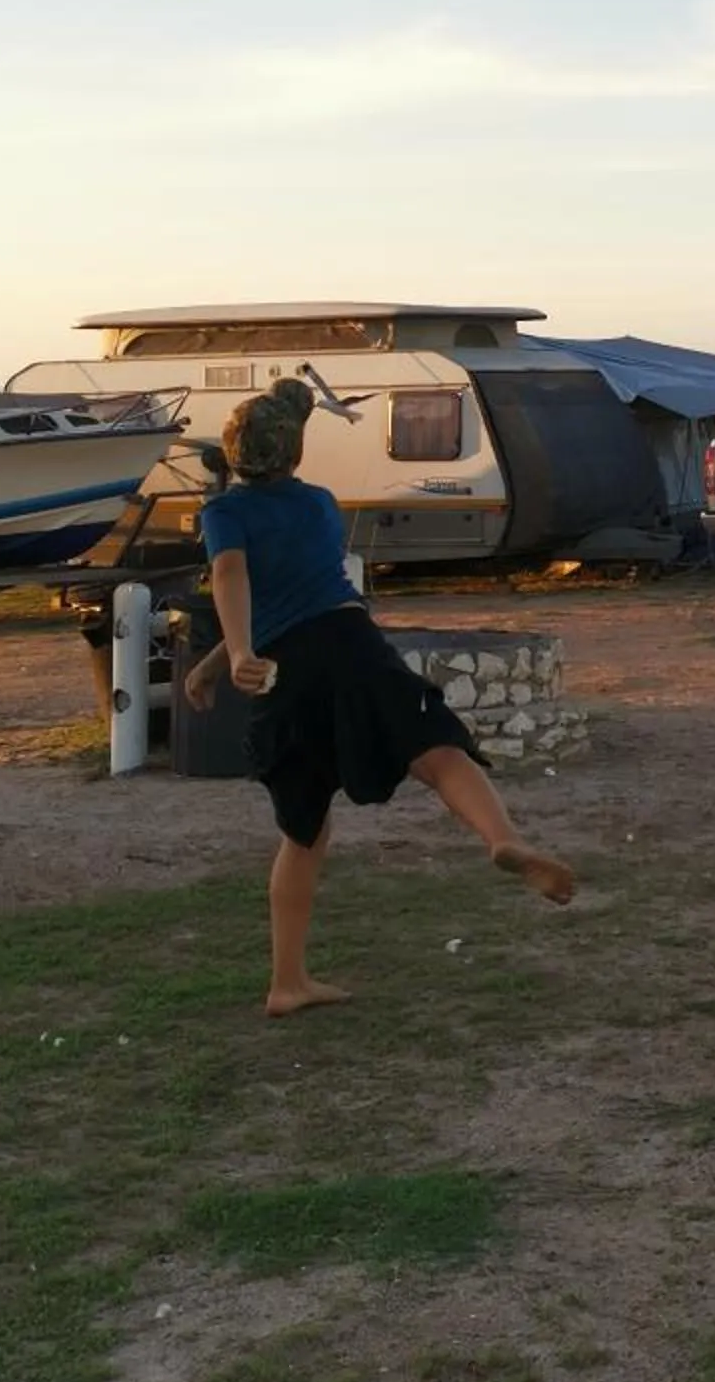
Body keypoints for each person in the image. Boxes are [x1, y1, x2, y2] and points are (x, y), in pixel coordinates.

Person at [194, 376, 573, 1015]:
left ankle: (287, 982)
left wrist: (230, 657)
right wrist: (223, 657)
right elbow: (304, 591)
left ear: (233, 451)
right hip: (349, 642)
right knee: (437, 749)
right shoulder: (318, 503)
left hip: (285, 669)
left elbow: (239, 579)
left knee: (304, 827)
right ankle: (500, 837)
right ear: (294, 453)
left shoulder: (223, 513)